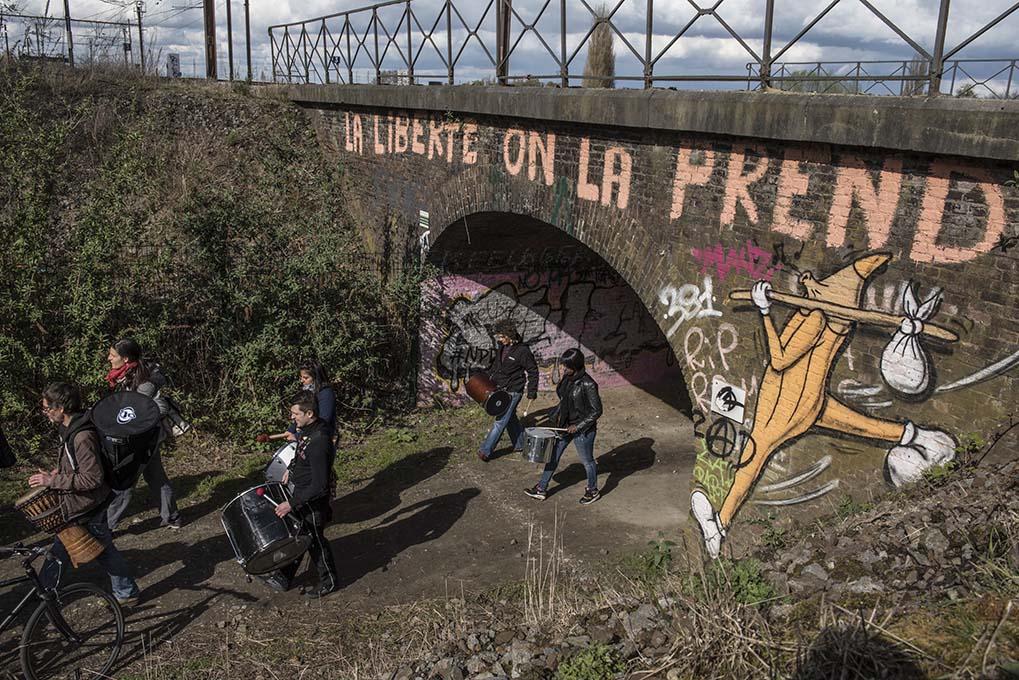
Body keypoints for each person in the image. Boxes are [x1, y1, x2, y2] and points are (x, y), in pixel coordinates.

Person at [690, 255, 956, 559]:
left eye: (817, 287)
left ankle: (719, 526)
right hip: (807, 397)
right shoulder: (827, 318)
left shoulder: (814, 318)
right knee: (853, 423)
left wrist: (764, 311)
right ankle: (918, 437)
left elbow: (779, 360)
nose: (809, 286)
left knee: (754, 454)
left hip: (786, 402)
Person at [32, 382, 141, 606]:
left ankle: (127, 592)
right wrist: (59, 472)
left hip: (89, 505)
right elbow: (77, 465)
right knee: (77, 548)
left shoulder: (82, 436)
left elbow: (92, 478)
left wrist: (53, 481)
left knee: (101, 551)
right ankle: (44, 591)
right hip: (83, 503)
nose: (45, 413)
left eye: (46, 408)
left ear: (61, 407)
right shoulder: (71, 428)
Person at [259, 391, 339, 598]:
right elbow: (299, 452)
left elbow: (320, 485)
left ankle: (329, 581)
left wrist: (291, 504)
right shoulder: (305, 430)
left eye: (295, 414)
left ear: (309, 413)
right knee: (297, 535)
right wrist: (291, 468)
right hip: (300, 491)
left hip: (312, 499)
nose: (291, 418)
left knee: (315, 540)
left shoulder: (320, 440)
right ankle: (284, 575)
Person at [104, 338, 183, 531]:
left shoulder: (144, 383)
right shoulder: (127, 375)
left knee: (125, 481)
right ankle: (172, 516)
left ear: (126, 358)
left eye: (113, 355)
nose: (109, 358)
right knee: (155, 476)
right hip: (142, 438)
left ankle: (105, 526)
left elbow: (155, 409)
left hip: (143, 439)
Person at [524, 348, 603, 505]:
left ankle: (593, 490)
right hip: (565, 425)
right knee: (552, 456)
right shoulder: (567, 379)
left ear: (576, 366)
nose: (563, 369)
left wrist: (578, 426)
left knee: (587, 461)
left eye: (566, 366)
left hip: (583, 431)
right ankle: (541, 488)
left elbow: (596, 411)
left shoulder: (588, 384)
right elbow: (564, 401)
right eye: (563, 365)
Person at [477, 320, 538, 462]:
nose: (500, 340)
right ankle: (520, 444)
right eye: (499, 337)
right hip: (500, 387)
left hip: (514, 389)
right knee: (510, 417)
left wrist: (532, 392)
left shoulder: (523, 351)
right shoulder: (501, 347)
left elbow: (533, 371)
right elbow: (497, 366)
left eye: (502, 337)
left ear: (510, 334)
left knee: (501, 419)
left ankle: (485, 450)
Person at [258, 360, 337, 443]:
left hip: (322, 437)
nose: (302, 380)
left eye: (306, 378)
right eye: (301, 377)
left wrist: (298, 436)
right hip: (308, 435)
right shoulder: (308, 391)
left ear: (316, 378)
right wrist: (291, 430)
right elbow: (300, 414)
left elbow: (324, 420)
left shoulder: (326, 394)